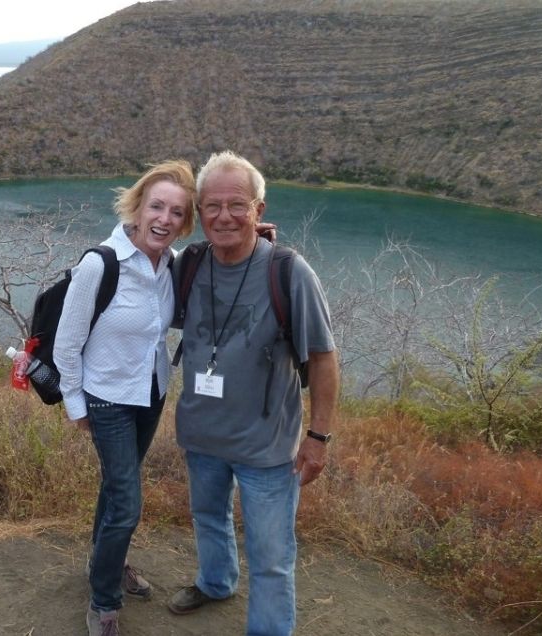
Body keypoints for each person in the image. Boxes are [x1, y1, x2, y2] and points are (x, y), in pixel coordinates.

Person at [167, 150, 340, 636]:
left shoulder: (288, 272)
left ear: (259, 211)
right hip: (202, 435)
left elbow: (324, 358)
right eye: (212, 206)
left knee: (272, 556)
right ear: (198, 212)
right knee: (207, 516)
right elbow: (137, 265)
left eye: (237, 205)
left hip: (268, 448)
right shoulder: (190, 266)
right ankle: (215, 582)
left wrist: (319, 437)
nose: (224, 216)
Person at [53, 160, 197, 636]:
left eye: (177, 212)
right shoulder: (101, 264)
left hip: (150, 393)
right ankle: (103, 601)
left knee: (117, 489)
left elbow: (175, 317)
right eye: (157, 206)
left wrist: (254, 238)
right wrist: (76, 405)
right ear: (137, 206)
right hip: (108, 398)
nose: (165, 219)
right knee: (127, 503)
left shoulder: (169, 265)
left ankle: (105, 564)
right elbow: (66, 343)